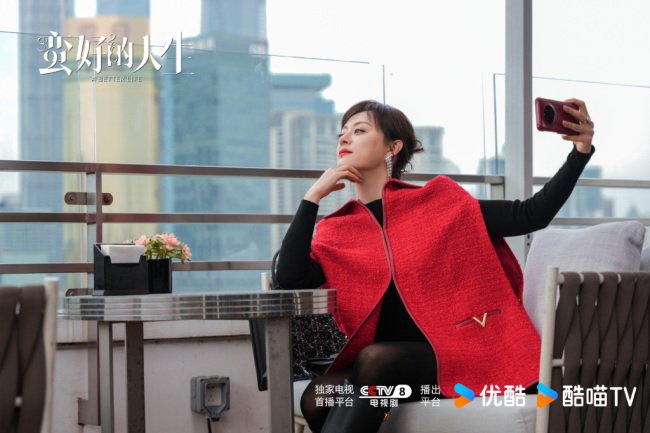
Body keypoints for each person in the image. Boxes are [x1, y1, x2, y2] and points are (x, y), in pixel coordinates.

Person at [275, 99, 595, 433]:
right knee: (317, 396)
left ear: (392, 147)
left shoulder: (440, 204)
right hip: (393, 372)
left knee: (375, 359)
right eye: (342, 133)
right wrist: (312, 197)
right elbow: (290, 278)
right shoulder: (337, 230)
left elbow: (530, 214)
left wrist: (580, 153)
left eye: (359, 130)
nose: (344, 139)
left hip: (459, 354)